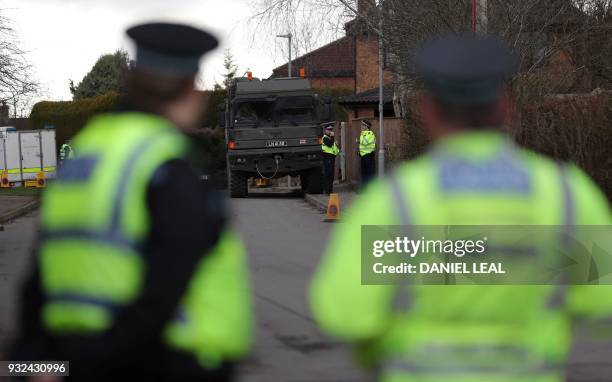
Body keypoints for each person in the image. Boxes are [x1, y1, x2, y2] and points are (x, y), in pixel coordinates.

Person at [310, 35, 612, 382]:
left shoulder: (396, 200)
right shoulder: (566, 194)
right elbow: (602, 303)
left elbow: (345, 313)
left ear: (428, 110)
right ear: (506, 106)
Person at [12, 22, 253, 381]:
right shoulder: (166, 165)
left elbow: (38, 282)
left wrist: (34, 364)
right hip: (165, 363)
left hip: (72, 354)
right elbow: (163, 292)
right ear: (190, 91)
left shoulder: (85, 155)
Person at [321, 122, 339, 194]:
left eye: (331, 130)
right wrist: (332, 137)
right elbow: (329, 145)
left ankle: (330, 190)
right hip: (327, 158)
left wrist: (336, 144)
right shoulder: (325, 138)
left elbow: (333, 147)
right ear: (325, 130)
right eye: (328, 130)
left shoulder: (329, 138)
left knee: (331, 175)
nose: (330, 131)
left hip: (331, 158)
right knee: (328, 175)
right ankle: (327, 191)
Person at [358, 119, 376, 187]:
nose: (361, 126)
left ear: (367, 126)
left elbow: (365, 143)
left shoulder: (370, 134)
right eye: (362, 125)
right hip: (363, 156)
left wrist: (360, 140)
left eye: (363, 125)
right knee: (364, 173)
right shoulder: (363, 134)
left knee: (369, 173)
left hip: (369, 156)